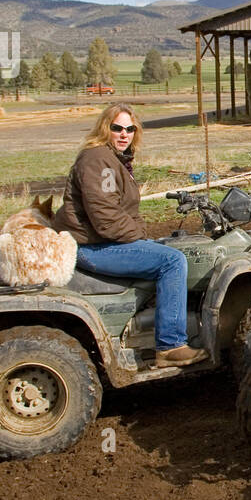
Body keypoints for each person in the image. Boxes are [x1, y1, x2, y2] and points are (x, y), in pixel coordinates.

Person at [53, 103, 201, 368]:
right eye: (117, 128)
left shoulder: (112, 160)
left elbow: (117, 212)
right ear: (104, 128)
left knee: (164, 249)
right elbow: (106, 218)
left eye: (130, 129)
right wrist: (140, 235)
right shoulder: (100, 160)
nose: (124, 134)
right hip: (93, 246)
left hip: (98, 241)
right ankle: (170, 346)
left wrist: (140, 236)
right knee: (173, 261)